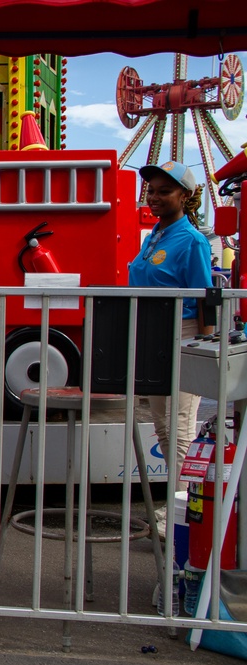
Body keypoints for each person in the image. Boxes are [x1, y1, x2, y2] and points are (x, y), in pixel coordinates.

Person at [128, 160, 213, 498]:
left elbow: (205, 296)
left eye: (165, 191)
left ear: (186, 196)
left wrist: (203, 350)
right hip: (154, 337)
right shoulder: (155, 237)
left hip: (183, 334)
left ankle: (180, 512)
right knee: (163, 427)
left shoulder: (192, 241)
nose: (155, 197)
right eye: (151, 191)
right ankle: (174, 507)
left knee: (178, 427)